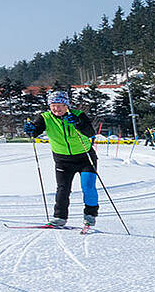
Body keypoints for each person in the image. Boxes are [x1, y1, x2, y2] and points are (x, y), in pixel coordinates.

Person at [22, 91, 100, 228]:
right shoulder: (45, 117)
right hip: (62, 160)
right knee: (63, 189)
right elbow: (35, 131)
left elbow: (90, 132)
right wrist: (30, 130)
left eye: (59, 105)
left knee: (87, 187)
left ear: (66, 105)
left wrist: (77, 123)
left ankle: (90, 216)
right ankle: (59, 217)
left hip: (85, 158)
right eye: (53, 105)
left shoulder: (78, 115)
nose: (56, 109)